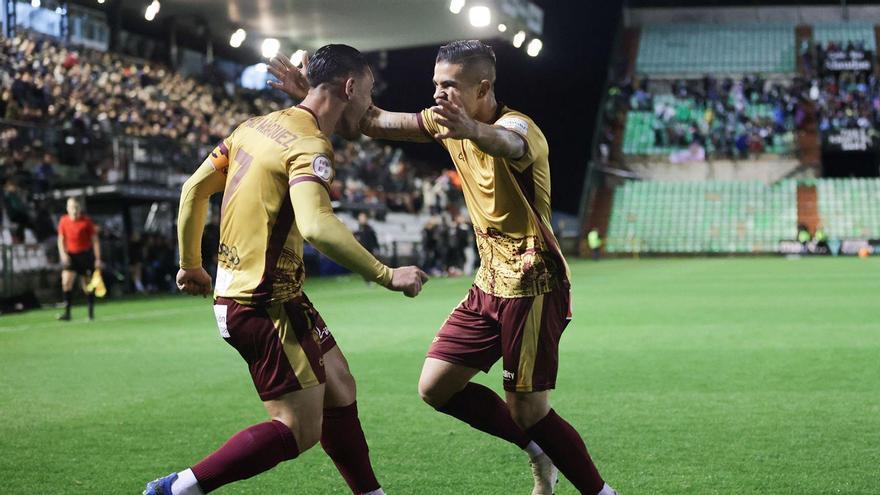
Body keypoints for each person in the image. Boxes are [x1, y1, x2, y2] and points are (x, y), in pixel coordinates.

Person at [271, 39, 615, 495]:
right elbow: (369, 122)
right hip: (489, 283)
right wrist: (315, 93)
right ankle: (539, 453)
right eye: (435, 85)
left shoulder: (517, 127)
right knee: (436, 387)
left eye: (449, 86)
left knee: (529, 410)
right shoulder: (445, 121)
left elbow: (507, 142)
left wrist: (471, 129)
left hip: (534, 282)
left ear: (483, 87)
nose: (437, 95)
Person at [144, 44, 428, 495]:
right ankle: (178, 489)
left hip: (268, 293)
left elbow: (193, 190)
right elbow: (317, 225)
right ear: (349, 87)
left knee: (339, 385)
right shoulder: (310, 143)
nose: (369, 108)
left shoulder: (252, 127)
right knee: (298, 429)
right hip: (262, 303)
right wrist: (387, 274)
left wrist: (191, 265)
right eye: (368, 95)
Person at [56, 197, 101, 321]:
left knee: (86, 285)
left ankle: (90, 313)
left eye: (76, 207)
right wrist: (63, 254)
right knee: (66, 282)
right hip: (71, 256)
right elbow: (61, 240)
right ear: (67, 208)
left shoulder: (86, 222)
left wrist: (97, 258)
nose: (74, 210)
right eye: (71, 207)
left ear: (79, 208)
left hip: (85, 256)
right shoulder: (64, 221)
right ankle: (67, 313)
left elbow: (95, 241)